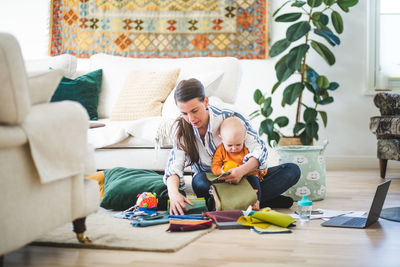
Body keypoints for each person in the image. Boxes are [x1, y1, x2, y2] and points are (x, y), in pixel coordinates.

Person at [163, 78, 300, 215]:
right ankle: (253, 200)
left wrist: (241, 171)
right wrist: (174, 194)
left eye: (194, 111)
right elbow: (174, 166)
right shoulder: (181, 129)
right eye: (184, 113)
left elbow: (259, 150)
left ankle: (225, 202)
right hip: (212, 182)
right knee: (198, 181)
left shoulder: (231, 115)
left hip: (244, 177)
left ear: (205, 101)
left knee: (291, 170)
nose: (191, 118)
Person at [211, 116, 267, 210]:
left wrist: (244, 171)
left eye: (238, 144)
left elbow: (254, 168)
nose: (234, 148)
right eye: (229, 145)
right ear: (221, 138)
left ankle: (256, 201)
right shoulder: (221, 150)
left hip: (246, 178)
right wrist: (221, 171)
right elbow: (214, 166)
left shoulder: (246, 150)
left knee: (254, 180)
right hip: (228, 179)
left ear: (244, 136)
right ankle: (228, 202)